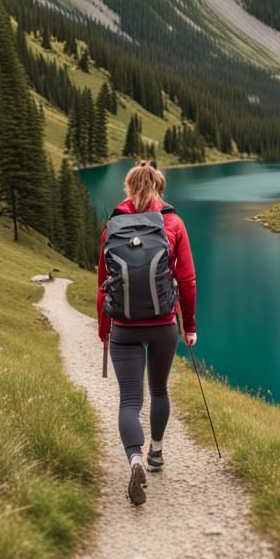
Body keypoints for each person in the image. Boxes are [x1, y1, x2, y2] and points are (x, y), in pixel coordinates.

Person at [97, 160, 197, 506]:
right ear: (159, 187)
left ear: (128, 188)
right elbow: (187, 279)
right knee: (158, 390)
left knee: (129, 399)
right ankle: (156, 452)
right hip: (163, 324)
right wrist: (189, 326)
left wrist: (104, 329)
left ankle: (135, 459)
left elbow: (103, 284)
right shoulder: (173, 223)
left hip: (124, 327)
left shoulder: (113, 227)